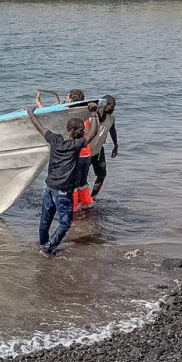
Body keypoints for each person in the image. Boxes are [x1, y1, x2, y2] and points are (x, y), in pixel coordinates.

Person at [27, 102, 99, 257]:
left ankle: (43, 243)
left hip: (49, 187)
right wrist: (93, 113)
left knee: (45, 220)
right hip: (62, 190)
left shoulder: (55, 139)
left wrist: (31, 113)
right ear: (73, 131)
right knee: (65, 223)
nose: (83, 132)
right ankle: (47, 249)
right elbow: (93, 133)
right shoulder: (75, 145)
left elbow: (40, 128)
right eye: (81, 130)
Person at [88, 95, 119, 198]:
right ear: (104, 106)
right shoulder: (91, 116)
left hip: (98, 150)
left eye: (114, 107)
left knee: (101, 175)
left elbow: (112, 131)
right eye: (112, 106)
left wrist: (115, 145)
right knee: (80, 177)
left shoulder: (111, 119)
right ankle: (79, 198)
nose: (113, 109)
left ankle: (92, 197)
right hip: (86, 151)